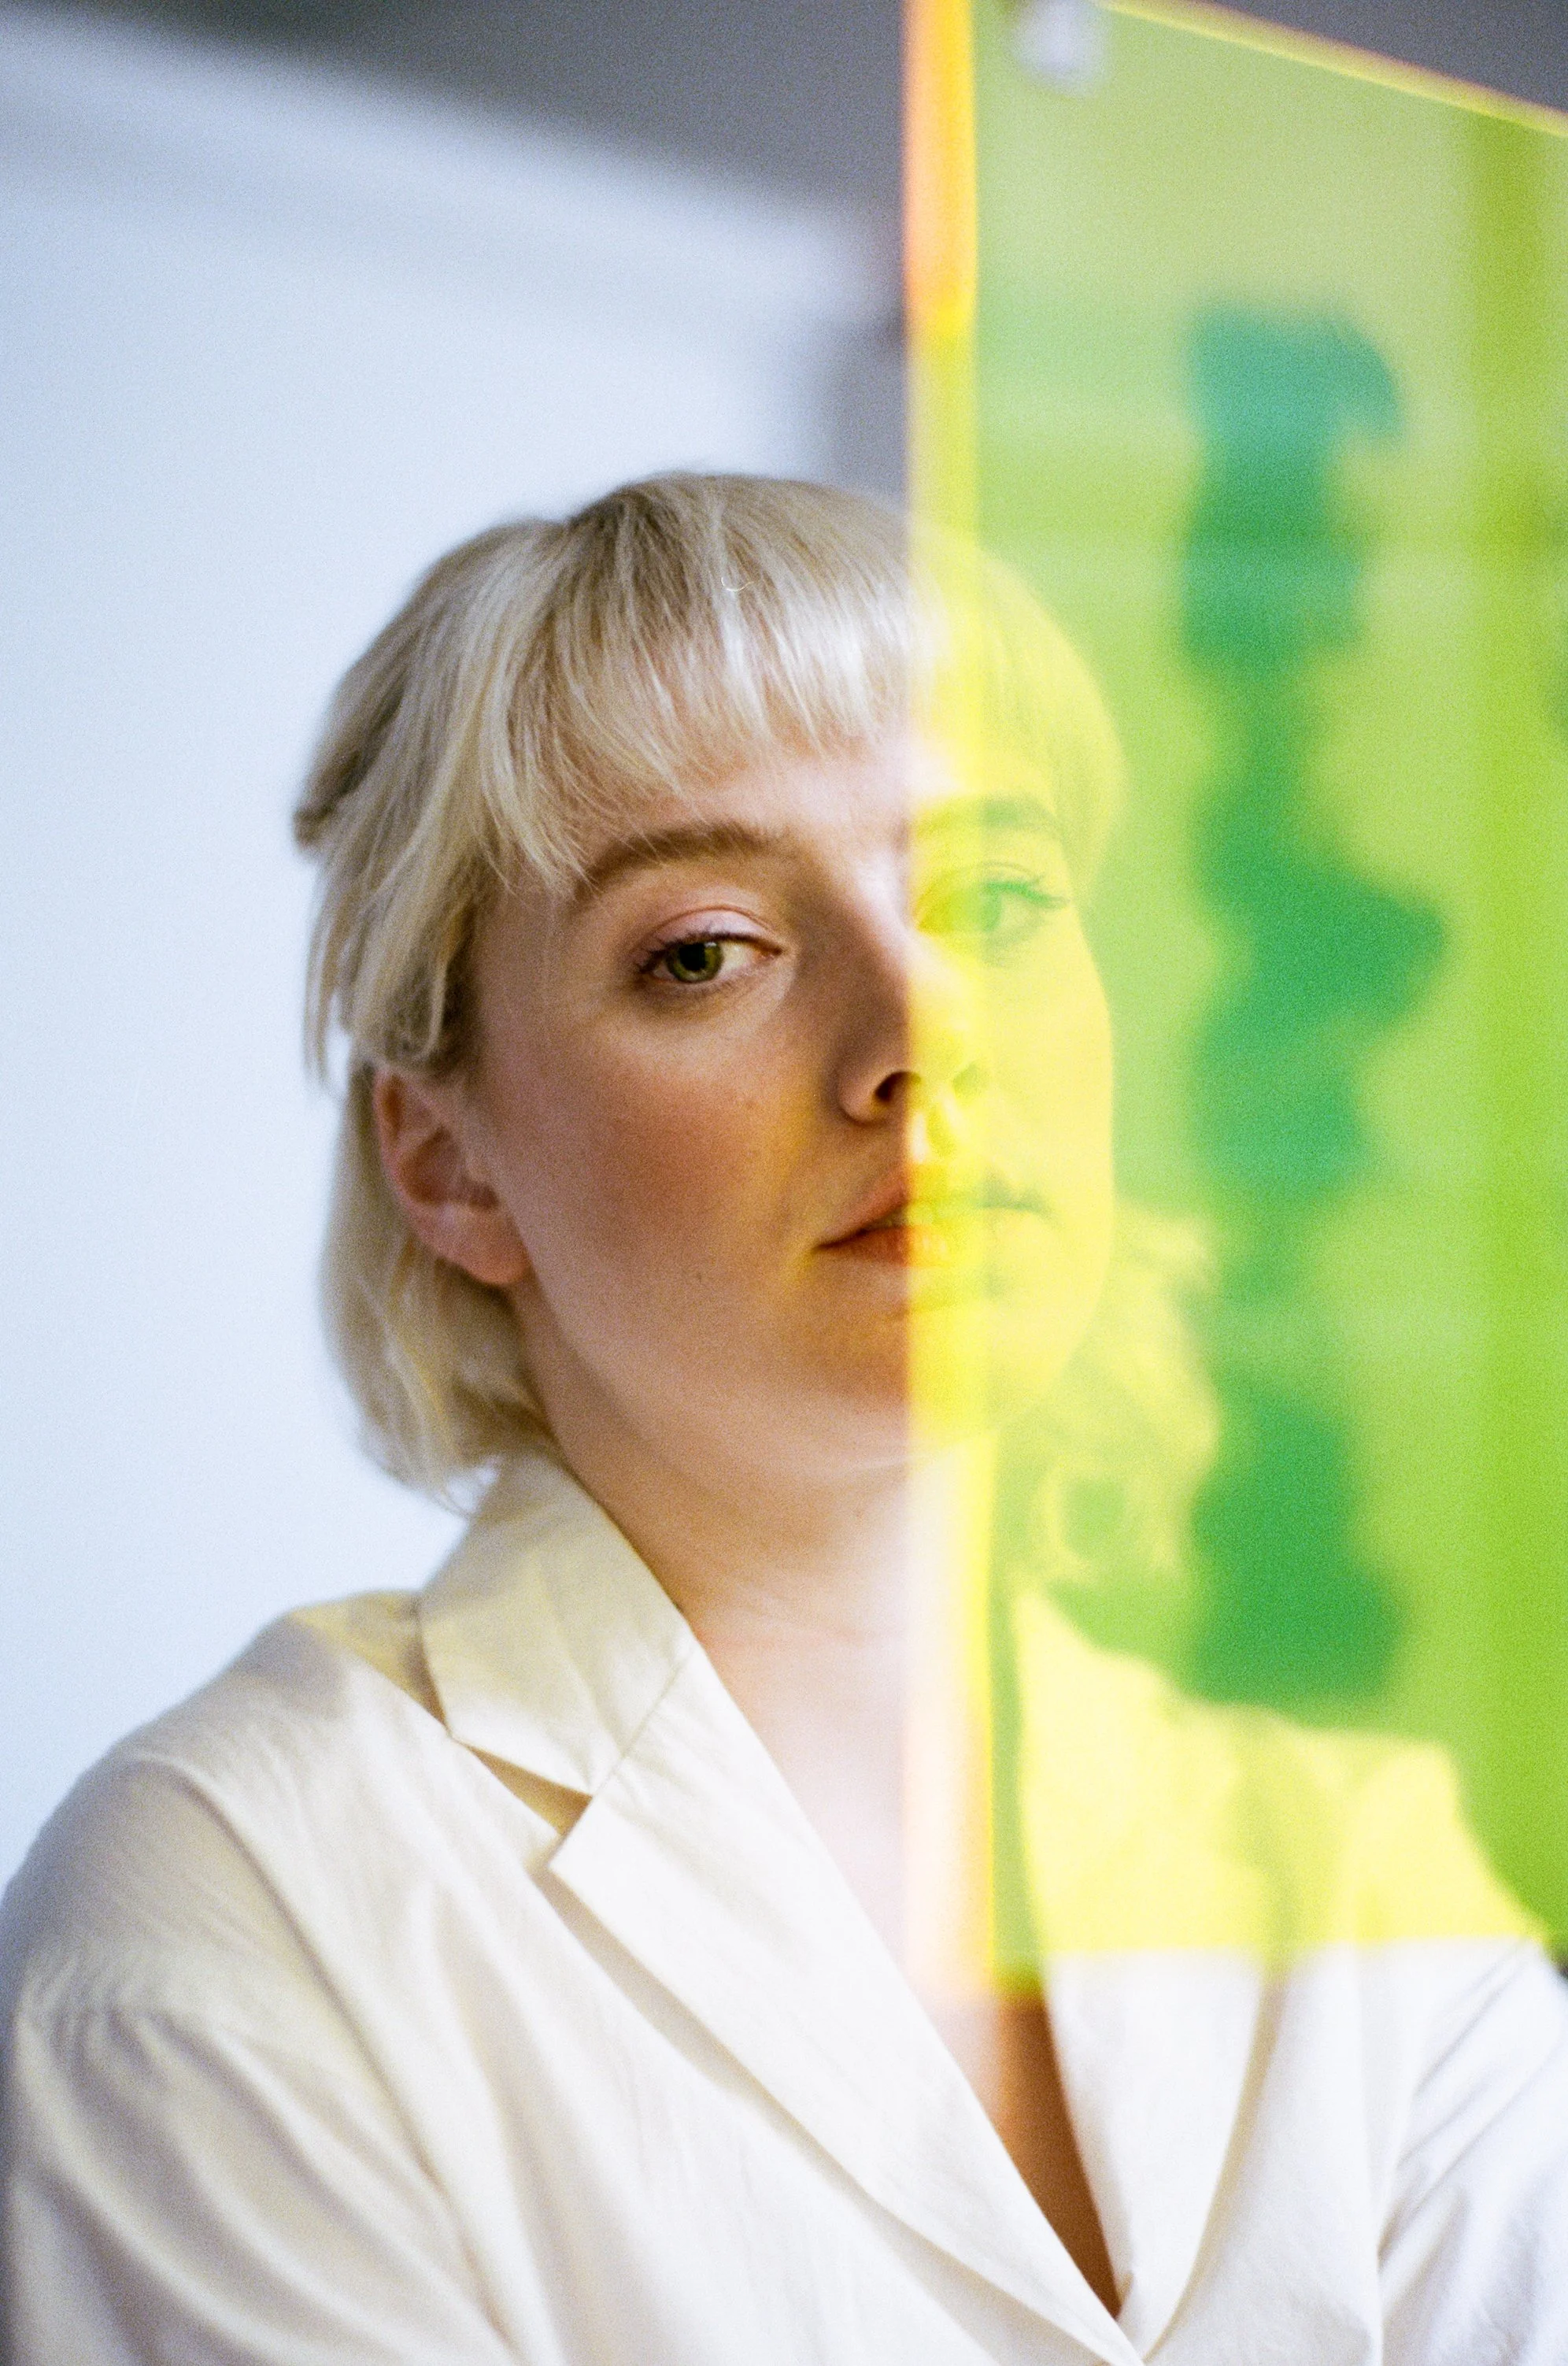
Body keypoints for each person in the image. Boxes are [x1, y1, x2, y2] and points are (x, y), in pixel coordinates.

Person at [2, 474, 1565, 2365]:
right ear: (450, 1162)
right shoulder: (234, 1904)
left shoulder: (1366, 1884)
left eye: (996, 898)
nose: (921, 1025)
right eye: (705, 948)